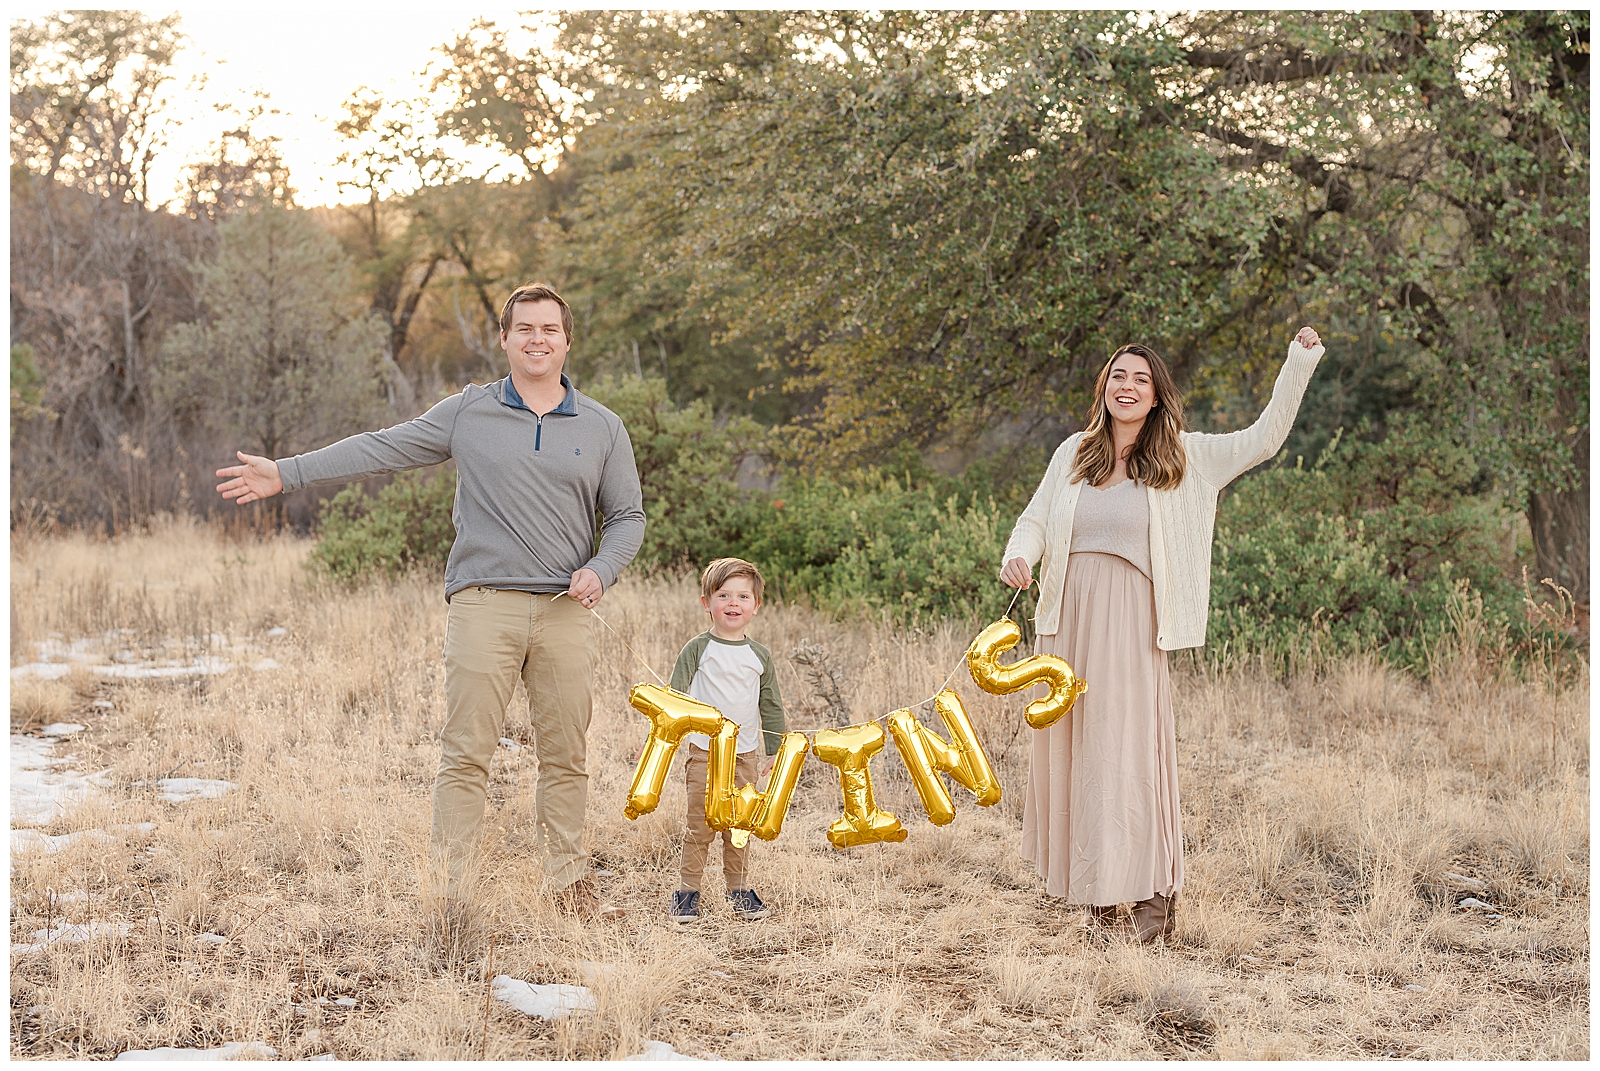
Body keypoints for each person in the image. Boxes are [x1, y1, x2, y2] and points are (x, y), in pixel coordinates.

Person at [215, 283, 646, 921]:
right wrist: (290, 471)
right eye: (523, 328)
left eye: (549, 329)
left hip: (565, 611)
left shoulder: (603, 426)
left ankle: (568, 881)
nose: (536, 340)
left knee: (566, 753)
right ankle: (452, 888)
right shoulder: (468, 413)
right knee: (466, 750)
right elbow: (382, 446)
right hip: (483, 605)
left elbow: (628, 517)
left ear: (567, 340)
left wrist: (603, 569)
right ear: (504, 340)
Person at [999, 327, 1324, 942]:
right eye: (1118, 376)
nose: (1127, 386)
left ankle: (1152, 895)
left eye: (1140, 380)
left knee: (1127, 756)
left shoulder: (1186, 455)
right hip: (1066, 622)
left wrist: (1297, 364)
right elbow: (1035, 519)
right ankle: (1098, 892)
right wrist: (1020, 555)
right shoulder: (1075, 452)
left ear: (1156, 396)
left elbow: (1264, 439)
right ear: (1104, 389)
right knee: (1080, 755)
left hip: (1130, 624)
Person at [666, 558, 787, 925]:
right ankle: (688, 893)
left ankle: (738, 890)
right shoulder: (698, 649)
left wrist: (776, 749)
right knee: (699, 824)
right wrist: (660, 743)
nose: (733, 603)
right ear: (707, 602)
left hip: (745, 755)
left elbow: (771, 704)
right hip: (704, 752)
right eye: (723, 595)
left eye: (743, 596)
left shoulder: (758, 655)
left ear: (756, 606)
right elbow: (673, 698)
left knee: (739, 825)